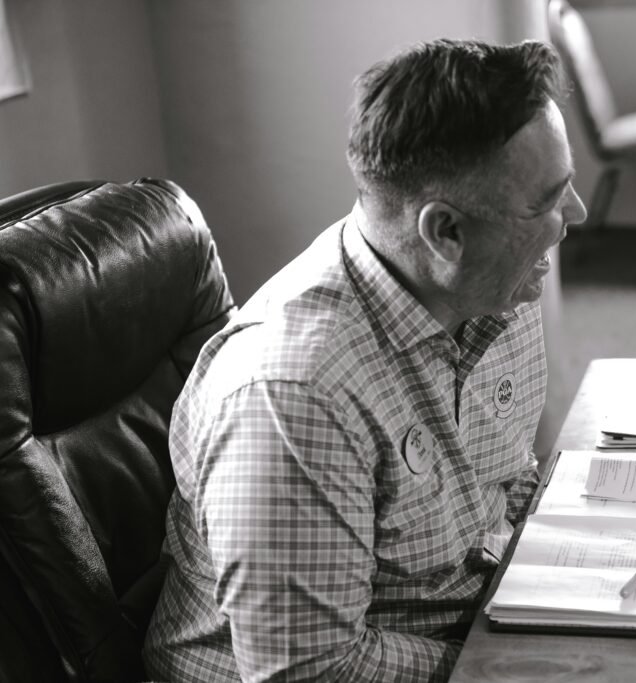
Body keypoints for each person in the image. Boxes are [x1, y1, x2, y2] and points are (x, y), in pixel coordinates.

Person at [143, 38, 586, 682]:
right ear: (446, 233)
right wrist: (515, 664)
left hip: (454, 627)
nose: (573, 215)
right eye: (546, 201)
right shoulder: (294, 391)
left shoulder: (497, 288)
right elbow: (309, 670)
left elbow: (504, 486)